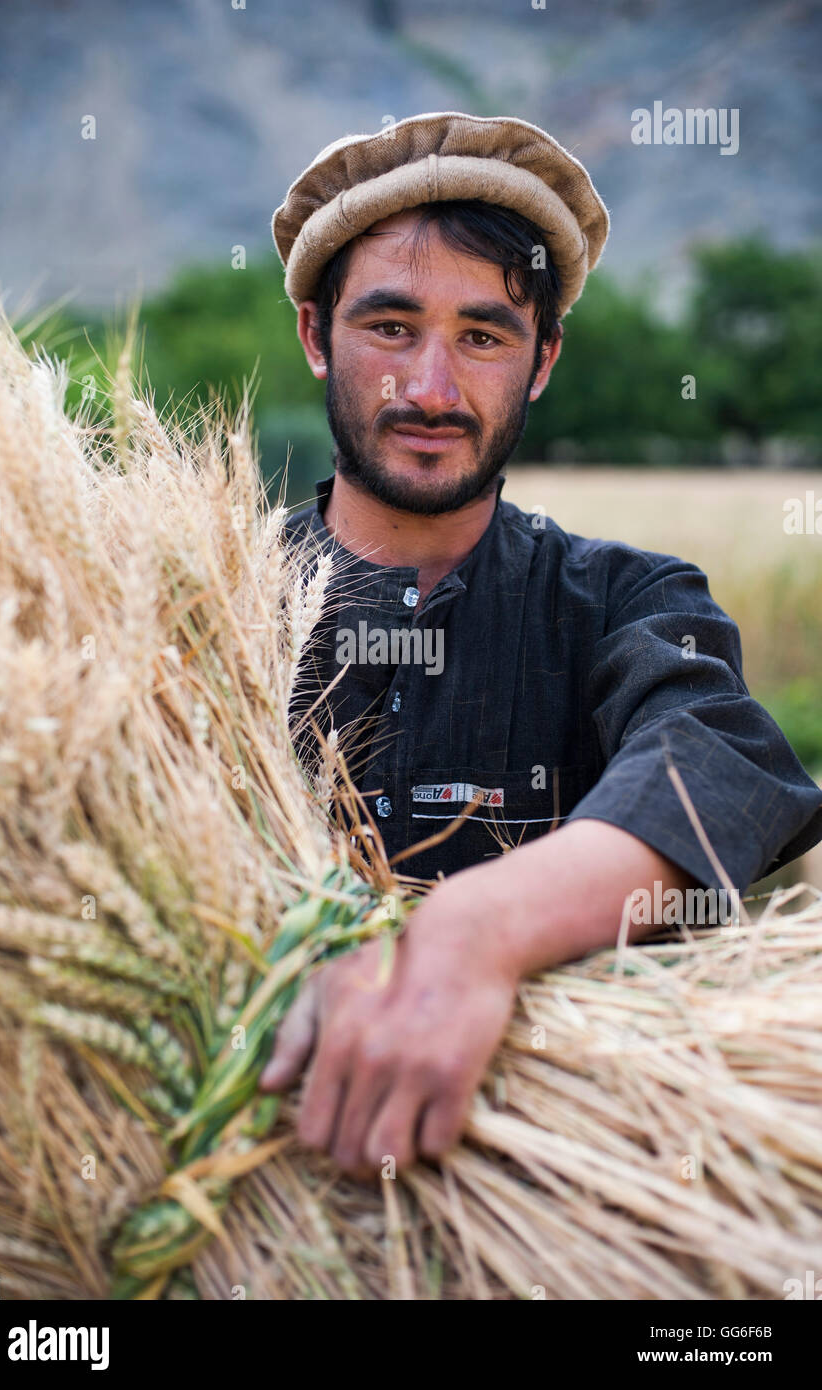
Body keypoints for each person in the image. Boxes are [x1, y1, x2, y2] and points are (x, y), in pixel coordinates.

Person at [258, 112, 822, 1177]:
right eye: (389, 328)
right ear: (313, 334)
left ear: (544, 358)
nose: (430, 389)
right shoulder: (199, 605)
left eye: (483, 335)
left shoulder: (626, 600)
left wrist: (474, 934)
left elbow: (715, 757)